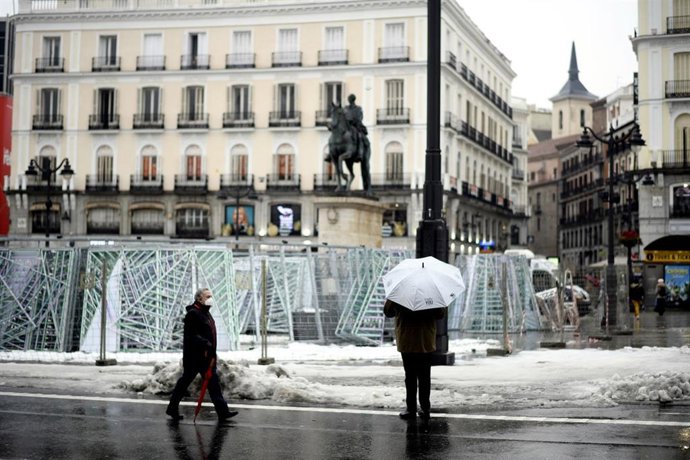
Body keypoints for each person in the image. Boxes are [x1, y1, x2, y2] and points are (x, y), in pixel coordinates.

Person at [166, 288, 238, 421]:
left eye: (211, 296)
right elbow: (190, 336)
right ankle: (172, 408)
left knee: (214, 384)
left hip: (207, 357)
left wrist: (211, 351)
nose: (210, 299)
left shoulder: (206, 313)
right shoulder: (193, 314)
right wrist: (205, 343)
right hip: (195, 358)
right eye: (207, 296)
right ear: (199, 299)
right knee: (184, 383)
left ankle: (223, 412)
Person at [384, 299, 445, 422]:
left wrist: (392, 300)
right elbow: (440, 314)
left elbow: (388, 312)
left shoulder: (400, 293)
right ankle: (425, 408)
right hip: (425, 340)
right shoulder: (431, 293)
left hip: (407, 339)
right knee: (424, 376)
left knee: (410, 376)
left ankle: (411, 409)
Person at [344, 93, 370, 162]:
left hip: (356, 126)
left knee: (359, 136)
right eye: (349, 99)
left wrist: (353, 121)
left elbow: (360, 117)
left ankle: (360, 153)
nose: (349, 100)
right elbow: (343, 117)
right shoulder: (345, 108)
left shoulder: (358, 108)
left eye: (350, 99)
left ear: (353, 100)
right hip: (347, 126)